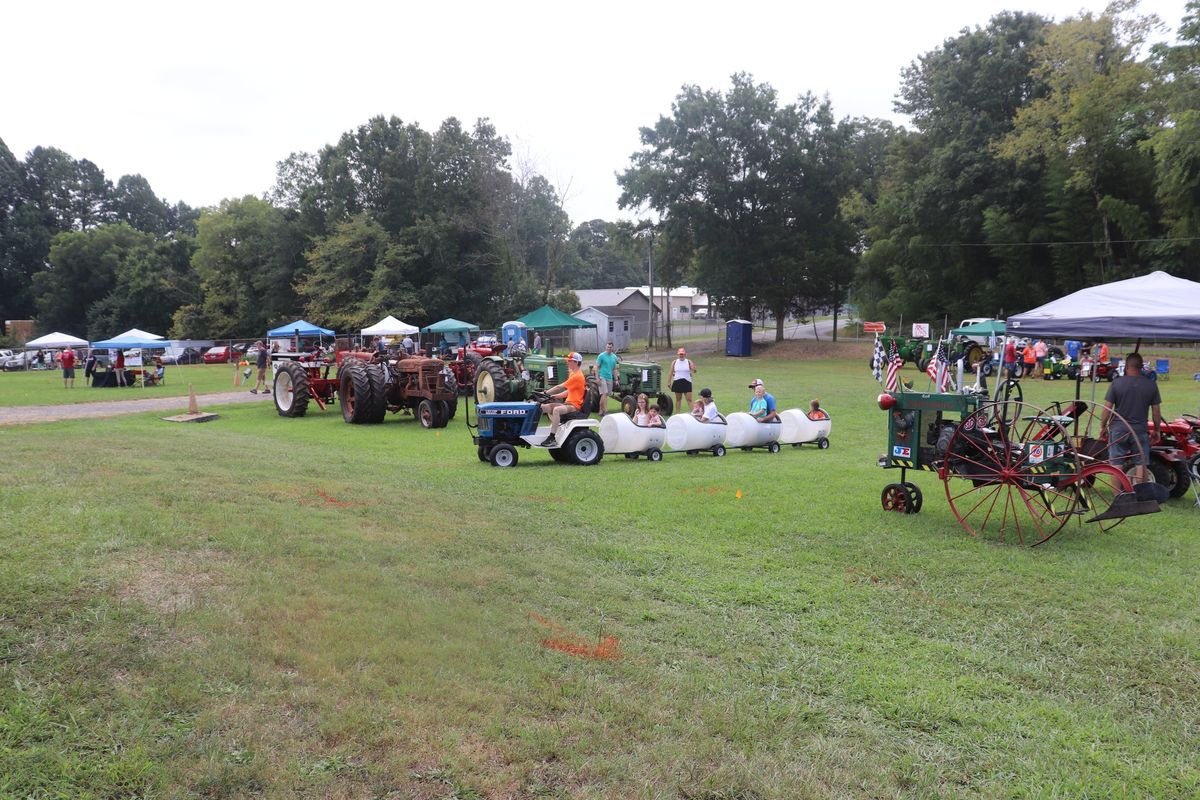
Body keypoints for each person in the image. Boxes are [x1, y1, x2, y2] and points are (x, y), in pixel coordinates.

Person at [1100, 352, 1164, 485]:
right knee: (1140, 463)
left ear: (1127, 366)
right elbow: (1156, 411)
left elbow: (1107, 408)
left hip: (1118, 428)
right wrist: (1157, 430)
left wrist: (1103, 426)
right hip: (1139, 429)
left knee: (1116, 463)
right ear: (1141, 367)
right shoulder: (1151, 385)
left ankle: (1118, 496)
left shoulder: (1116, 383)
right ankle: (1139, 495)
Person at [538, 351, 587, 447]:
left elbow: (559, 387)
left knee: (556, 410)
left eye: (570, 361)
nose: (568, 362)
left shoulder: (577, 376)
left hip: (574, 406)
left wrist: (546, 392)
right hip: (568, 403)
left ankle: (552, 438)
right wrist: (555, 396)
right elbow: (569, 391)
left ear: (576, 363)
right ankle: (555, 427)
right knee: (544, 407)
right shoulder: (573, 374)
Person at [595, 341, 620, 417]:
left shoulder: (614, 357)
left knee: (606, 394)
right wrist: (597, 378)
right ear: (606, 347)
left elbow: (615, 369)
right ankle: (606, 411)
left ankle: (600, 410)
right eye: (608, 347)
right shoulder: (601, 356)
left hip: (610, 378)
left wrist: (616, 380)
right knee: (604, 393)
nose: (609, 348)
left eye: (610, 347)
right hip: (602, 377)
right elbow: (596, 367)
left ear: (612, 348)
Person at [670, 347, 697, 412]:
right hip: (677, 381)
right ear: (678, 354)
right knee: (678, 399)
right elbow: (670, 372)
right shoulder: (674, 362)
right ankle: (678, 413)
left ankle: (694, 413)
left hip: (687, 381)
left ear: (685, 354)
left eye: (682, 354)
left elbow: (695, 371)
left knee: (689, 399)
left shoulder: (688, 361)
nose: (681, 355)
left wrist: (693, 368)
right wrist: (669, 382)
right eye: (680, 354)